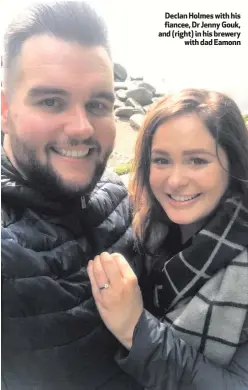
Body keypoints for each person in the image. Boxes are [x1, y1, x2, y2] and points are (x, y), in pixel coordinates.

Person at [1, 2, 142, 389]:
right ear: (5, 109)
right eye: (51, 101)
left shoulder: (118, 192)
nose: (81, 128)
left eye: (97, 104)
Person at [88, 89, 248, 389]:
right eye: (161, 160)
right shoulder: (145, 227)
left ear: (233, 165)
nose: (175, 180)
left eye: (197, 161)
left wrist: (135, 329)